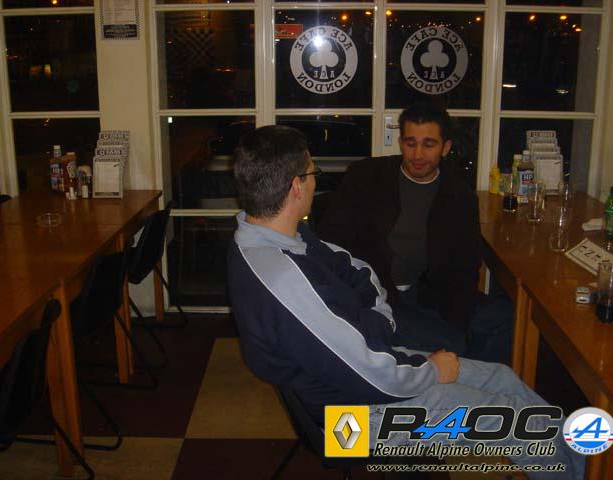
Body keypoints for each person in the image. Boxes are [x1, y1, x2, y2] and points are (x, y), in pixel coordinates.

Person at [226, 125, 584, 478]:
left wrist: (381, 324)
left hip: (366, 373)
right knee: (522, 423)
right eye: (312, 172)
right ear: (296, 186)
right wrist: (431, 371)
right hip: (349, 423)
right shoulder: (284, 278)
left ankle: (584, 467)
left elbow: (357, 270)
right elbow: (370, 373)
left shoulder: (276, 237)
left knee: (503, 378)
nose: (315, 181)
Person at [318, 102, 513, 363]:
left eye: (428, 145)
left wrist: (459, 320)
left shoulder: (460, 195)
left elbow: (466, 267)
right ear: (400, 143)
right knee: (452, 344)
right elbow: (332, 243)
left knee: (504, 318)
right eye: (410, 143)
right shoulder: (366, 177)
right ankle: (455, 367)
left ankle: (469, 372)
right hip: (378, 295)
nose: (418, 154)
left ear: (446, 147)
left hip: (429, 294)